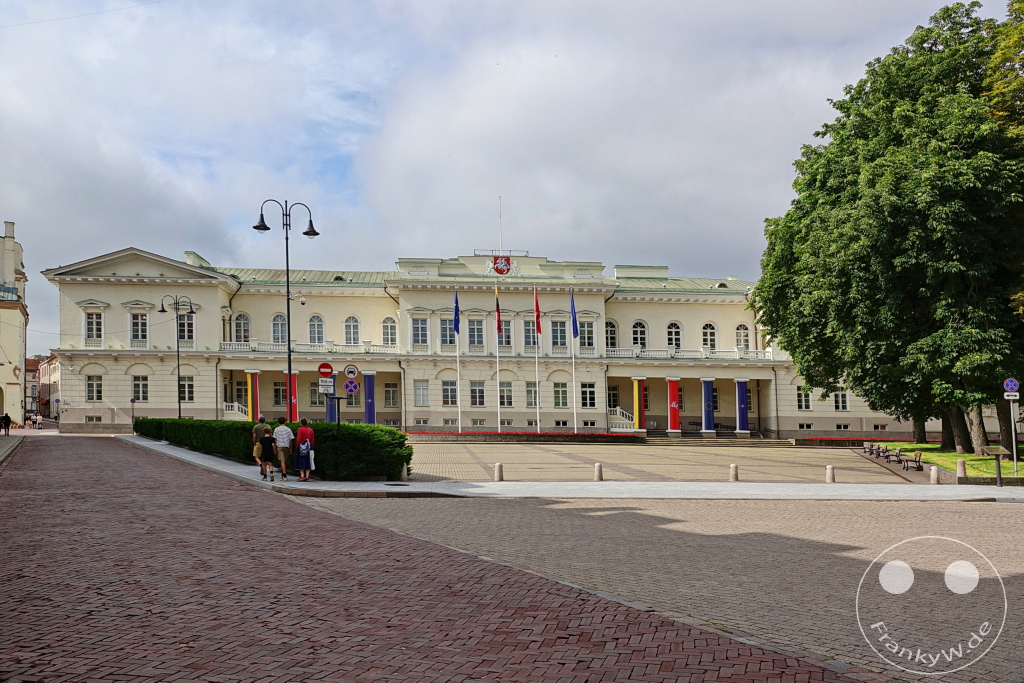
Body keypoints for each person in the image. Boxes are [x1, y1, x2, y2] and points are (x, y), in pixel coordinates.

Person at [272, 417, 293, 481]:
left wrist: (275, 449)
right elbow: (290, 439)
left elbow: (275, 439)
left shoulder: (276, 429)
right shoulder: (288, 429)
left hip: (279, 446)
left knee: (282, 460)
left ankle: (284, 475)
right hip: (286, 446)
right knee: (285, 460)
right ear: (285, 421)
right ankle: (283, 473)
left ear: (278, 422)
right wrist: (291, 448)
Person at [295, 417, 315, 482]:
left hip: (302, 447)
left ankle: (302, 476)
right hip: (309, 447)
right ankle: (307, 476)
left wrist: (298, 446)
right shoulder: (311, 430)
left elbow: (299, 439)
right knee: (308, 461)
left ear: (301, 423)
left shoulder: (300, 430)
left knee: (301, 461)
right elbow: (312, 440)